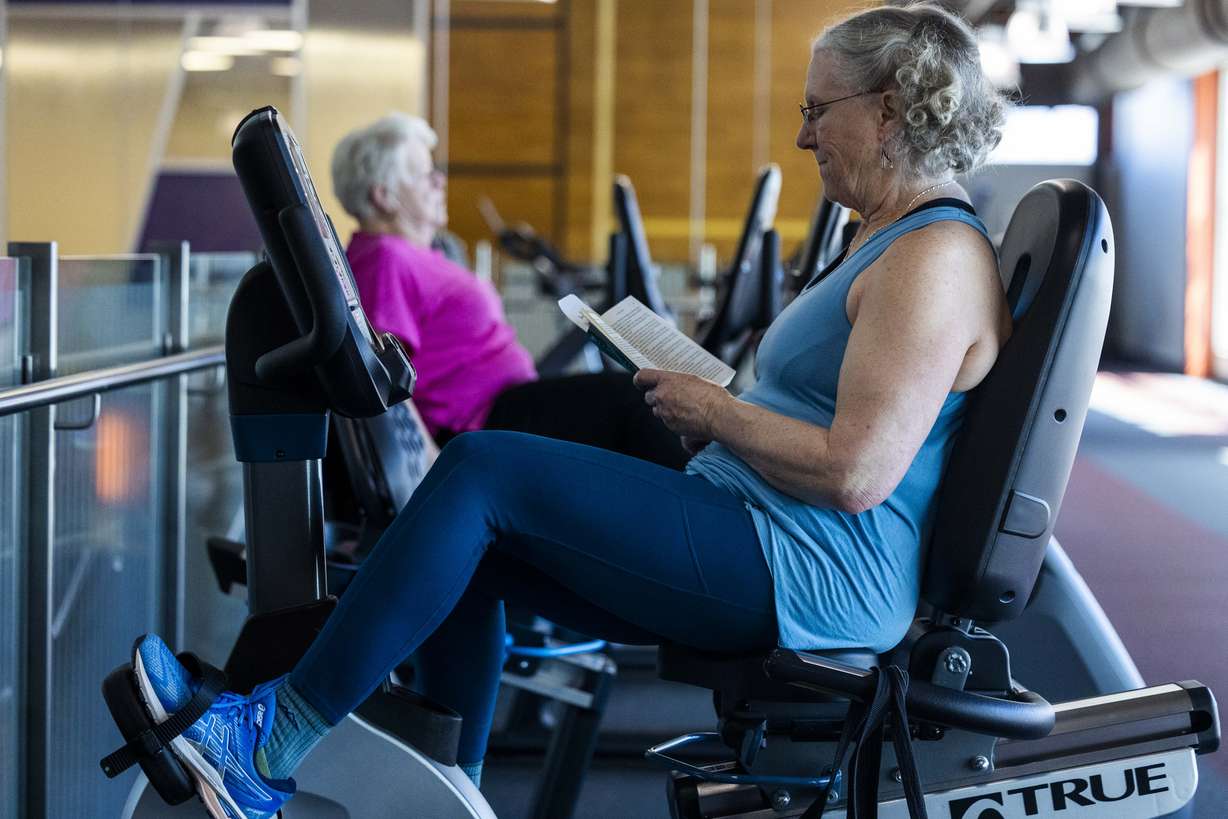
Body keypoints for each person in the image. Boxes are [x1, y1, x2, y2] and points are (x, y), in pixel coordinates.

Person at [123, 4, 1012, 816]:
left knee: (481, 470)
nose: (803, 133)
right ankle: (449, 795)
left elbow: (857, 471)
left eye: (819, 110)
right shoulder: (887, 237)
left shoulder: (931, 258)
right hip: (761, 527)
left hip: (807, 568)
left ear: (889, 110)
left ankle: (264, 744)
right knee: (470, 544)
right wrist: (719, 409)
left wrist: (717, 412)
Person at [330, 112, 688, 468]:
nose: (440, 181)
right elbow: (380, 374)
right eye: (426, 175)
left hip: (504, 406)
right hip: (481, 423)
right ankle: (706, 500)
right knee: (638, 401)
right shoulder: (384, 257)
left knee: (640, 400)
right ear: (384, 196)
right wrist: (427, 461)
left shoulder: (418, 254)